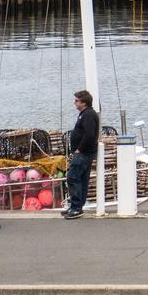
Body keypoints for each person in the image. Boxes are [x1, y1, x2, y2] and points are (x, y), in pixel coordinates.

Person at [64, 89, 99, 219]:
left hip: (84, 153)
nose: (75, 103)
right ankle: (76, 206)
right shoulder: (84, 114)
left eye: (77, 101)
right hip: (85, 152)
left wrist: (80, 148)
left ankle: (76, 207)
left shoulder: (88, 115)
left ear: (84, 102)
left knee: (72, 177)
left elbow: (89, 134)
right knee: (82, 178)